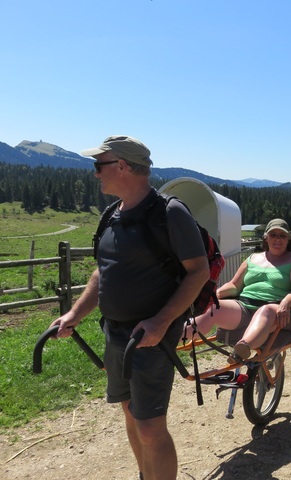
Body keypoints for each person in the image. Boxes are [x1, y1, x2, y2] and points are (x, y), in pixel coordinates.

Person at [50, 135, 210, 480]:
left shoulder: (169, 212)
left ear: (122, 166)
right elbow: (101, 272)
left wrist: (160, 322)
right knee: (130, 412)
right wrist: (75, 314)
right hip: (116, 334)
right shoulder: (112, 213)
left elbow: (199, 272)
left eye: (100, 165)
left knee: (150, 426)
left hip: (150, 338)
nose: (96, 173)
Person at [187, 219, 291, 363]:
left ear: (288, 238)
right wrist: (213, 295)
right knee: (214, 307)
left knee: (266, 310)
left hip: (278, 310)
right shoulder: (252, 258)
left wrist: (286, 302)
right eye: (273, 235)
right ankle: (175, 336)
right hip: (246, 307)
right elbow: (234, 285)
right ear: (266, 237)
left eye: (282, 236)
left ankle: (242, 350)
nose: (277, 239)